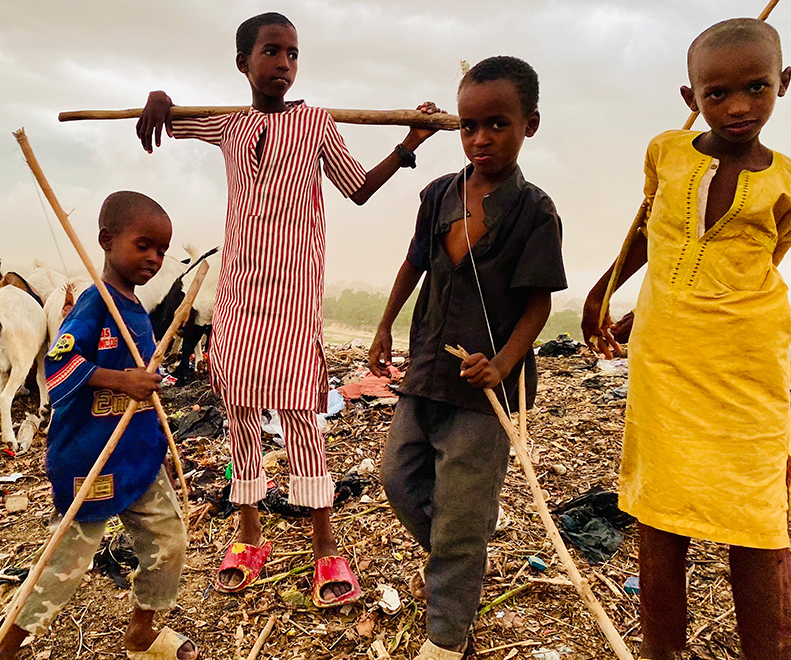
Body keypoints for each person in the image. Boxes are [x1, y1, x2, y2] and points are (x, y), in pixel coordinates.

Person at [136, 11, 439, 607]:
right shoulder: (229, 123)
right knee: (242, 415)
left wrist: (408, 144)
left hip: (295, 299)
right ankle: (248, 533)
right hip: (238, 297)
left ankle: (325, 545)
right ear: (243, 61)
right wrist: (160, 98)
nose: (284, 63)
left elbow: (356, 188)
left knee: (303, 418)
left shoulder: (316, 123)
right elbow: (172, 119)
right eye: (272, 51)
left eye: (293, 54)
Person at [582, 18, 791, 660]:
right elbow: (656, 229)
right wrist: (604, 292)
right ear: (689, 97)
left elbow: (758, 263)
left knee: (756, 523)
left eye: (757, 88)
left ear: (783, 84)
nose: (737, 107)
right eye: (716, 93)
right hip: (666, 368)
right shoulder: (667, 153)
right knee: (660, 520)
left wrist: (687, 302)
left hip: (749, 368)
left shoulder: (787, 179)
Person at [369, 56, 566, 659]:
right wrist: (384, 325)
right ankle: (464, 553)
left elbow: (536, 304)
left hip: (485, 393)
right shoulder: (438, 194)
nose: (481, 139)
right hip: (428, 368)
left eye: (497, 125)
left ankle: (446, 637)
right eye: (469, 126)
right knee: (398, 480)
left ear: (529, 124)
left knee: (459, 522)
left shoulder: (535, 211)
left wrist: (503, 364)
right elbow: (414, 265)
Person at [0, 191, 197, 660]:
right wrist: (122, 380)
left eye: (161, 250)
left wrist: (149, 378)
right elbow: (59, 365)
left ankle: (142, 634)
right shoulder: (94, 306)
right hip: (92, 456)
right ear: (106, 240)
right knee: (67, 560)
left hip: (137, 455)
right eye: (144, 245)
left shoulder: (136, 310)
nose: (154, 258)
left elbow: (137, 367)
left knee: (169, 541)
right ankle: (7, 647)